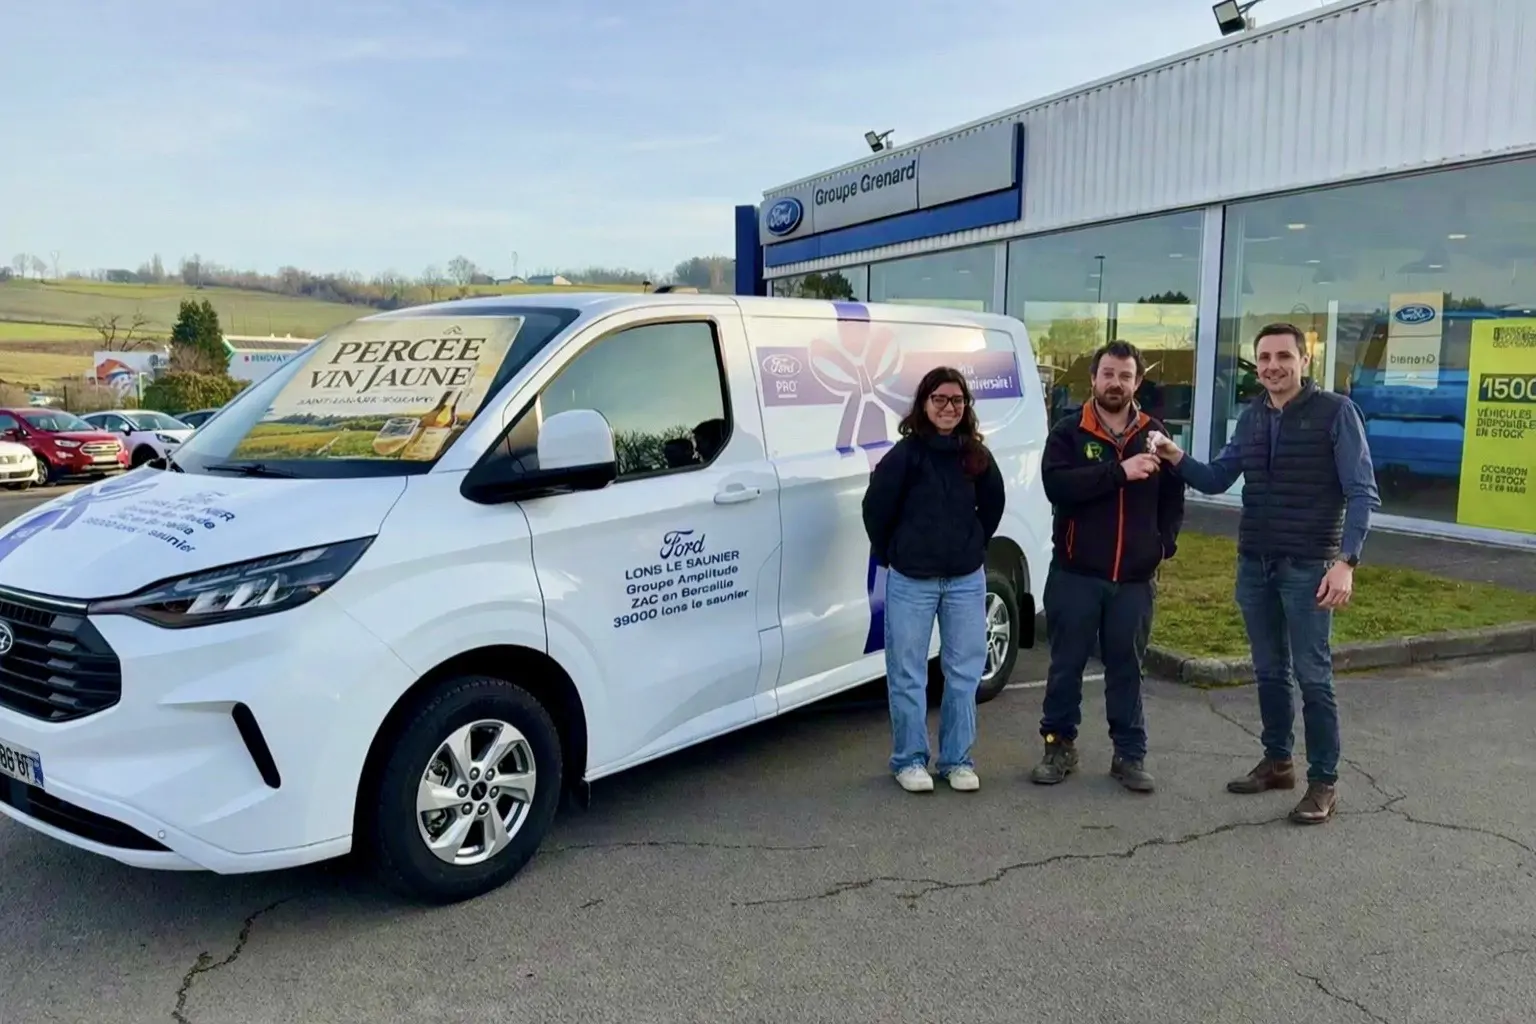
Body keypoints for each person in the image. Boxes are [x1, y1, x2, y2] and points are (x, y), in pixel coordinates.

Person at [1150, 322, 1380, 825]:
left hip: (1309, 566)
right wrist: (1175, 456)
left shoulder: (1336, 412)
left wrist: (1346, 562)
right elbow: (1217, 478)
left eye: (1283, 356)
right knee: (1270, 670)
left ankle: (1324, 782)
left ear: (1304, 361)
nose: (1273, 366)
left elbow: (1362, 491)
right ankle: (1278, 762)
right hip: (1255, 563)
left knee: (1313, 676)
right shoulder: (1252, 416)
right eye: (1265, 358)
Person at [1029, 340, 1185, 793]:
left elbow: (1173, 494)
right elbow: (1057, 486)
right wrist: (1119, 472)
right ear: (1093, 378)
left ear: (1137, 382)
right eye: (1108, 374)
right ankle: (1058, 746)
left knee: (1127, 667)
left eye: (1125, 376)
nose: (1116, 383)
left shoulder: (1155, 433)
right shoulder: (1068, 432)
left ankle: (1129, 755)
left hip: (1134, 579)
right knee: (1066, 666)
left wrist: (1163, 545)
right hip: (1076, 573)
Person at [862, 366, 1006, 794]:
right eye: (939, 399)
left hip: (965, 580)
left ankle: (957, 761)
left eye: (957, 400)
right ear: (924, 404)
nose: (948, 407)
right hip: (912, 581)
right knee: (908, 674)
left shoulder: (976, 457)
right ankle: (909, 760)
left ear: (966, 407)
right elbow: (876, 510)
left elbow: (993, 506)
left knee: (963, 673)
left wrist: (972, 545)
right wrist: (894, 553)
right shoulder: (905, 456)